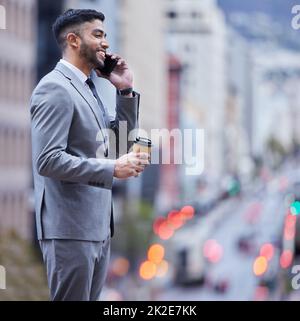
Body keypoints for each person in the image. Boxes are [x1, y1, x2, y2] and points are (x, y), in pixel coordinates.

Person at [30, 8, 149, 301]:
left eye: (106, 35)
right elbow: (47, 160)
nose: (105, 43)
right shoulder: (54, 88)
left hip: (96, 229)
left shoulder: (90, 89)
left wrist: (125, 90)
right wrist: (111, 169)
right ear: (73, 40)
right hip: (69, 230)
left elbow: (118, 144)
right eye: (97, 34)